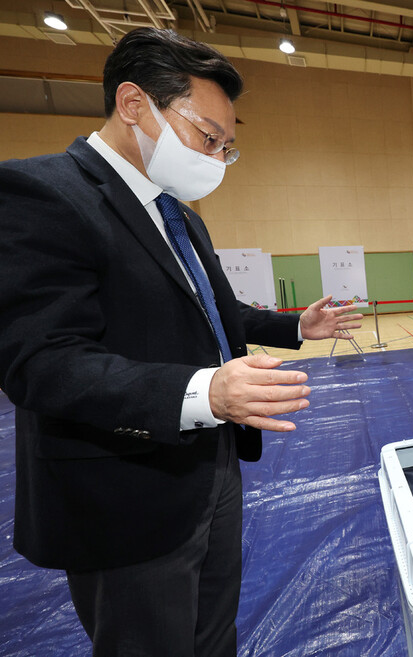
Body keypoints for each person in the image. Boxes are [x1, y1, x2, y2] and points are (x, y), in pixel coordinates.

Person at [0, 28, 363, 656]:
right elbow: (42, 361)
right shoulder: (44, 195)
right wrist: (207, 390)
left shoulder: (180, 215)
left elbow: (216, 313)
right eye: (208, 138)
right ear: (135, 104)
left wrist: (294, 326)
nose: (218, 158)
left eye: (228, 147)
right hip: (126, 492)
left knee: (212, 633)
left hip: (210, 469)